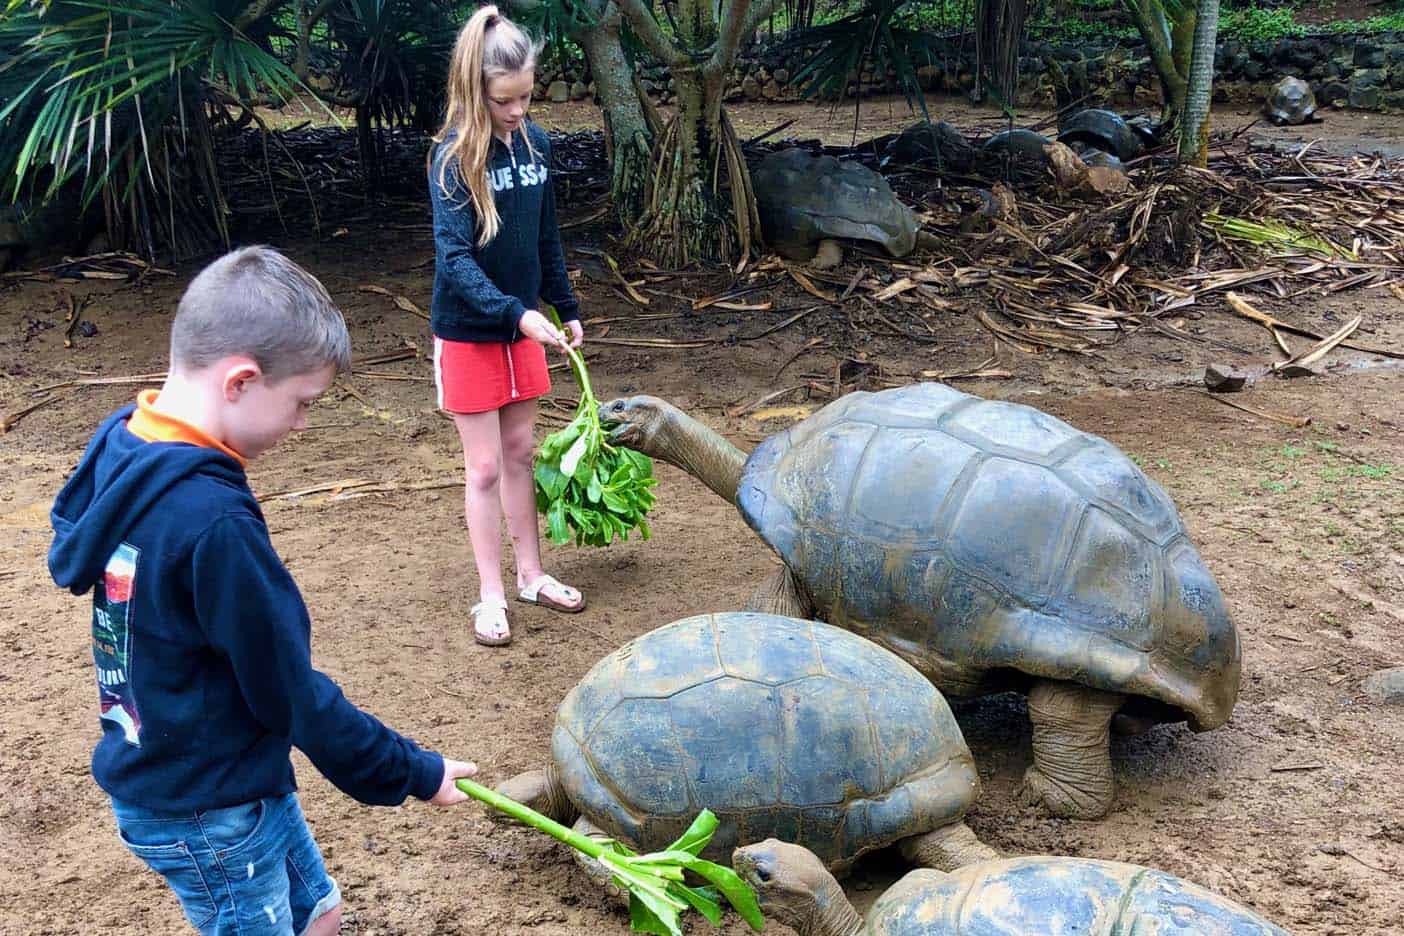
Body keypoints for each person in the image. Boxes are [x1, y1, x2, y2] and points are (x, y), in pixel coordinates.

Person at [47, 246, 479, 936]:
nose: (304, 425)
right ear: (241, 381)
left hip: (224, 769)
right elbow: (289, 691)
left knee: (322, 914)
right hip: (207, 808)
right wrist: (410, 770)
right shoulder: (213, 523)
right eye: (302, 403)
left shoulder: (127, 446)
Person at [429, 5, 587, 648]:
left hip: (524, 326)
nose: (518, 110)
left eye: (525, 96)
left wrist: (564, 306)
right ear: (475, 91)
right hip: (472, 330)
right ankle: (490, 594)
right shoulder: (449, 159)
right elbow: (454, 260)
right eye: (504, 101)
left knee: (523, 453)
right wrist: (516, 314)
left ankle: (531, 574)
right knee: (486, 466)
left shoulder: (537, 145)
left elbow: (544, 236)